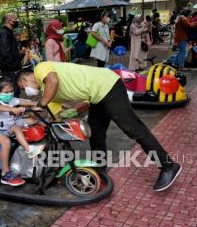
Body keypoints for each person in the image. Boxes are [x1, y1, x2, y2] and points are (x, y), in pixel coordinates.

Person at [17, 62, 182, 192]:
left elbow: (53, 80)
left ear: (25, 78)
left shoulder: (40, 68)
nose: (28, 91)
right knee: (96, 133)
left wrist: (41, 104)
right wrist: (24, 121)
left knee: (133, 129)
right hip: (96, 96)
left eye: (24, 87)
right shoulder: (49, 93)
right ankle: (100, 170)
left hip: (107, 86)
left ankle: (168, 166)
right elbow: (50, 116)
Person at [0, 77, 44, 158]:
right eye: (6, 92)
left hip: (11, 122)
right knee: (16, 128)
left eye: (11, 91)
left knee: (33, 120)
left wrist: (37, 104)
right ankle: (29, 150)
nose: (9, 94)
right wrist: (15, 109)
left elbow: (22, 101)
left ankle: (44, 138)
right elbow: (1, 109)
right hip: (1, 130)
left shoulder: (11, 99)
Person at [0, 13, 26, 97]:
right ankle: (12, 109)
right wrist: (14, 67)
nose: (17, 21)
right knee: (12, 91)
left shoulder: (8, 33)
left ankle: (15, 108)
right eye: (15, 19)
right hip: (10, 70)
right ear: (9, 21)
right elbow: (5, 53)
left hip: (12, 69)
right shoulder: (4, 34)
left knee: (15, 90)